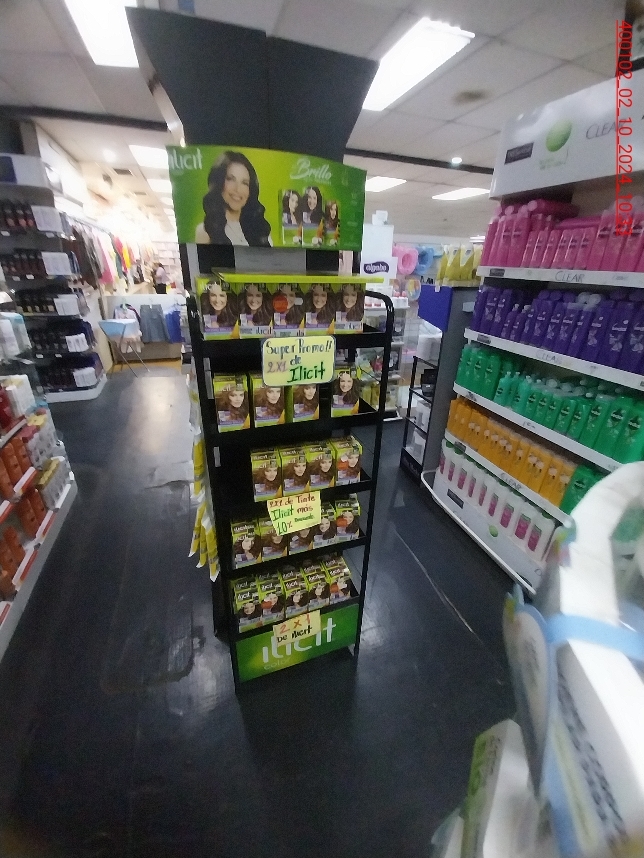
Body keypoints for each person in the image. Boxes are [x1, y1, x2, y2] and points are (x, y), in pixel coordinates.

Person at [196, 151, 272, 246]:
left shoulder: (260, 229)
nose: (238, 189)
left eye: (244, 183)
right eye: (230, 179)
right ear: (219, 183)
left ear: (250, 190)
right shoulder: (205, 231)